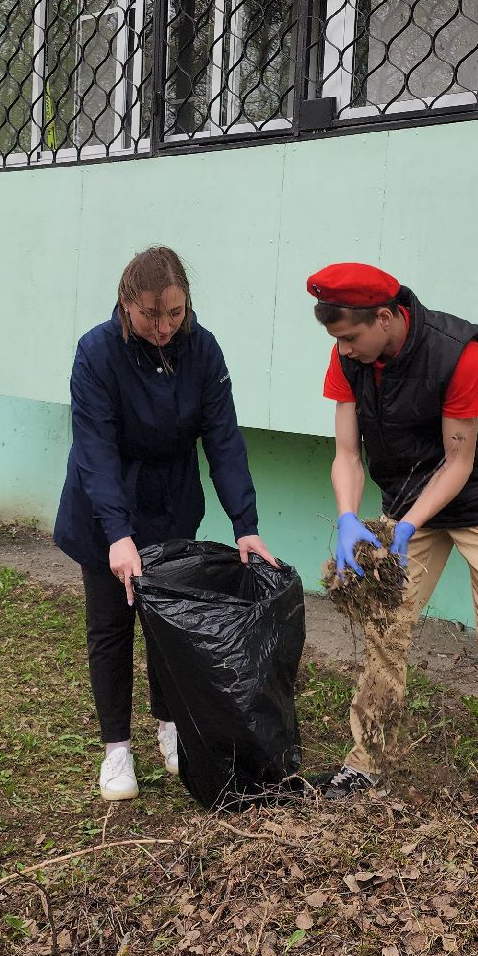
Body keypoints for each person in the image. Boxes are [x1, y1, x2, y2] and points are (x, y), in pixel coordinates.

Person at [306, 262, 478, 815]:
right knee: (385, 627)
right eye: (337, 340)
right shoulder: (349, 355)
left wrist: (407, 527)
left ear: (385, 318)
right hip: (411, 498)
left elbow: (459, 463)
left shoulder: (460, 355)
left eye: (350, 337)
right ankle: (366, 762)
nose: (343, 350)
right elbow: (347, 453)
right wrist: (348, 517)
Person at [54, 246, 277, 802]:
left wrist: (244, 523)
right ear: (126, 304)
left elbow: (223, 440)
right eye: (151, 315)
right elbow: (96, 451)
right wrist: (117, 535)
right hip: (104, 504)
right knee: (111, 626)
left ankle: (170, 726)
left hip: (171, 504)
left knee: (168, 624)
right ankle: (116, 750)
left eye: (174, 313)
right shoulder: (96, 353)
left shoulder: (203, 350)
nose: (163, 327)